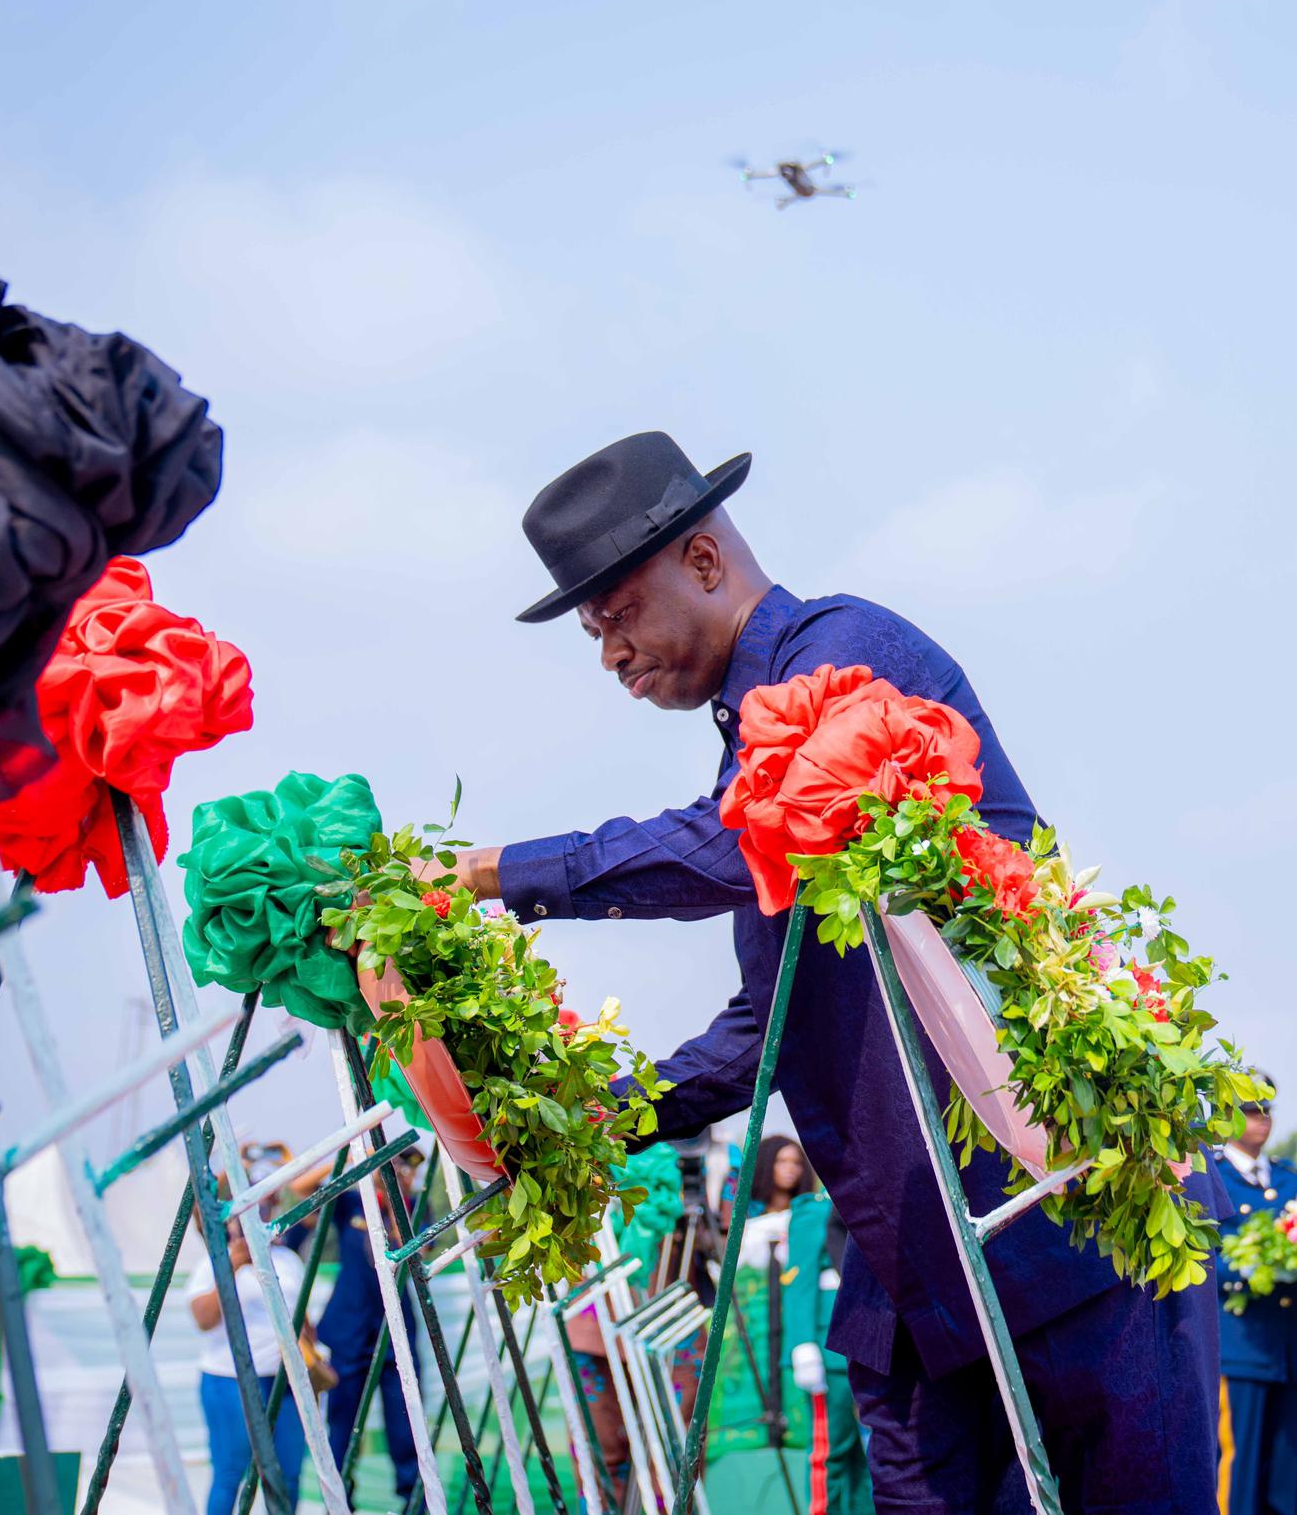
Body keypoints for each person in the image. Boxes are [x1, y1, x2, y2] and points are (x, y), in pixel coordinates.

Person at [419, 431, 1224, 1514]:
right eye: (591, 633)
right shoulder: (747, 748)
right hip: (922, 1269)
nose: (607, 654)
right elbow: (773, 1020)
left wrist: (492, 872)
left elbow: (726, 840)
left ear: (703, 562)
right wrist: (591, 1123)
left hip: (1061, 1227)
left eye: (615, 616)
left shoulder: (845, 658)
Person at [1211, 1087, 1297, 1515]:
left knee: (1285, 1465)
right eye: (1249, 1111)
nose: (1261, 1119)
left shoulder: (1287, 1176)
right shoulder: (1213, 1175)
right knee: (1239, 1470)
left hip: (1289, 1343)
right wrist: (1247, 1269)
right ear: (1227, 1118)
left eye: (1266, 1111)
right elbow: (1203, 1259)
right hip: (1242, 1342)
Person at [311, 1147, 423, 1501]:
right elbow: (302, 1192)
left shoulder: (415, 1206)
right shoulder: (352, 1203)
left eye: (405, 1164)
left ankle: (414, 1499)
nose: (399, 1169)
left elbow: (415, 1250)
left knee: (407, 1425)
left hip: (395, 1331)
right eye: (394, 1162)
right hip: (348, 1331)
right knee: (342, 1425)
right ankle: (340, 1499)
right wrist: (358, 1158)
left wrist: (395, 1198)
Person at [189, 1205, 310, 1515]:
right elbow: (203, 1319)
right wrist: (234, 1266)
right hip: (229, 1380)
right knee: (230, 1473)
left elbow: (302, 1317)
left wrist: (311, 1354)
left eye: (265, 1209)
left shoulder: (288, 1260)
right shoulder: (213, 1262)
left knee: (288, 1475)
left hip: (284, 1382)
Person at [783, 1181, 874, 1515]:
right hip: (827, 1354)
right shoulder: (815, 1210)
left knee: (867, 1456)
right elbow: (800, 1279)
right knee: (830, 1451)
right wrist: (803, 1344)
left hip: (865, 1348)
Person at [739, 1133, 815, 1271]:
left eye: (796, 1162)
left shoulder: (808, 1213)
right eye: (781, 1161)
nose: (790, 1168)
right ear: (765, 1163)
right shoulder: (745, 1214)